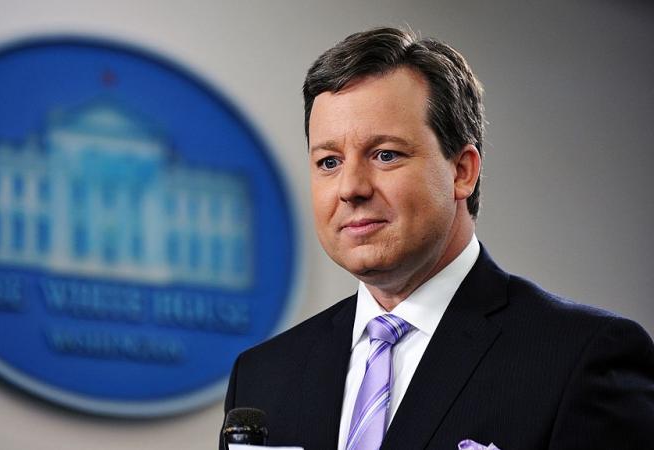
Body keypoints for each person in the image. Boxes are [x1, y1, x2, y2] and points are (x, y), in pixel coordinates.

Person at [221, 27, 654, 450]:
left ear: (462, 171)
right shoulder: (261, 377)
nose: (351, 187)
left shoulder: (581, 359)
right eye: (329, 161)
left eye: (385, 155)